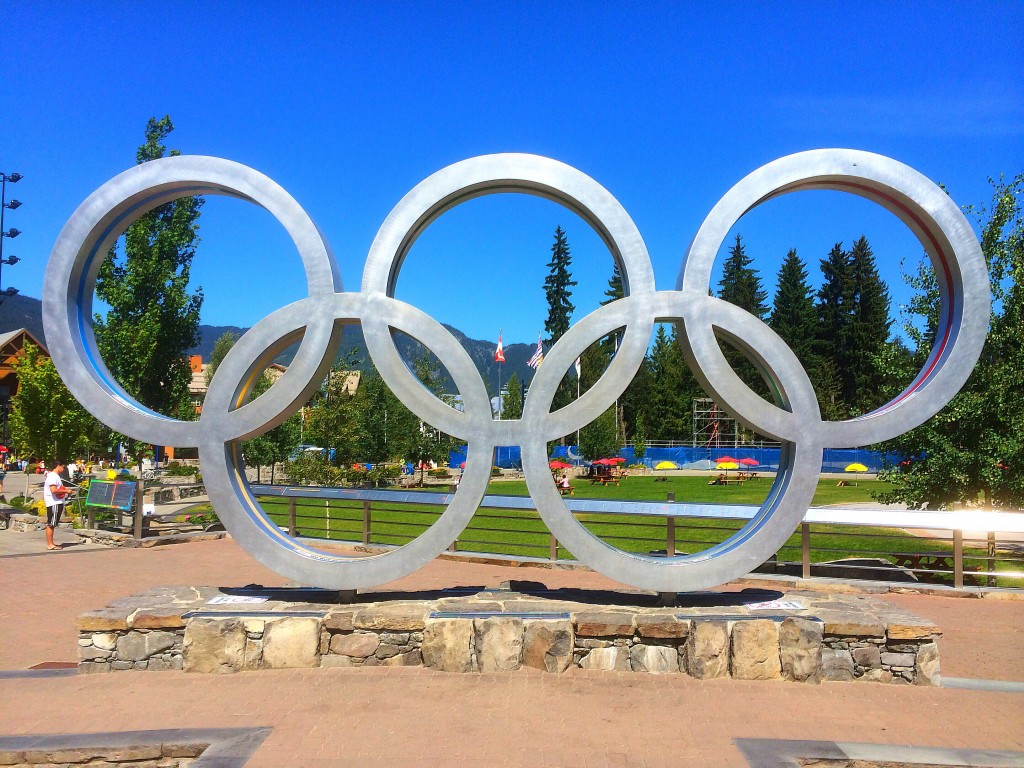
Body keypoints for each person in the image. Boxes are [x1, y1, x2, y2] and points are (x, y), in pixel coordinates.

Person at [44, 459, 72, 551]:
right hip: (54, 503)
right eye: (63, 467)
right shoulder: (53, 476)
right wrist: (66, 491)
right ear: (58, 466)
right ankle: (50, 544)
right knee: (51, 524)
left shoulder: (54, 476)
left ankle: (51, 543)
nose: (63, 469)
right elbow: (54, 490)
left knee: (52, 523)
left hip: (56, 502)